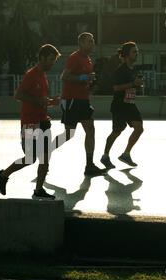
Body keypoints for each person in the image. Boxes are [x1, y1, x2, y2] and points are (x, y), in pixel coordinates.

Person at [0, 44, 61, 200]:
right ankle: (3, 175)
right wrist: (39, 100)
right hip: (30, 123)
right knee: (30, 158)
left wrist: (52, 102)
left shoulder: (43, 76)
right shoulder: (31, 74)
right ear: (42, 58)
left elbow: (41, 101)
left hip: (44, 122)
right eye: (50, 60)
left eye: (54, 61)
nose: (52, 64)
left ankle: (38, 189)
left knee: (45, 159)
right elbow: (18, 95)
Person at [54, 32, 107, 177]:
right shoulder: (74, 57)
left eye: (93, 41)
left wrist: (90, 83)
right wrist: (83, 77)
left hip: (83, 100)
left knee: (90, 129)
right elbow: (64, 77)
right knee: (69, 134)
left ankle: (89, 165)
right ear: (81, 43)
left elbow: (83, 80)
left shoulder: (88, 60)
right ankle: (46, 152)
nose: (92, 43)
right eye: (89, 41)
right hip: (71, 100)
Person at [101, 42, 144, 169]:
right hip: (120, 105)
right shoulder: (120, 70)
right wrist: (132, 84)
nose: (136, 54)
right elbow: (115, 87)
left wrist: (137, 84)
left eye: (137, 51)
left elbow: (132, 84)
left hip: (130, 104)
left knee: (139, 128)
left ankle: (126, 154)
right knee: (116, 131)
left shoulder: (133, 69)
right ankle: (105, 156)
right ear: (126, 55)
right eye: (134, 52)